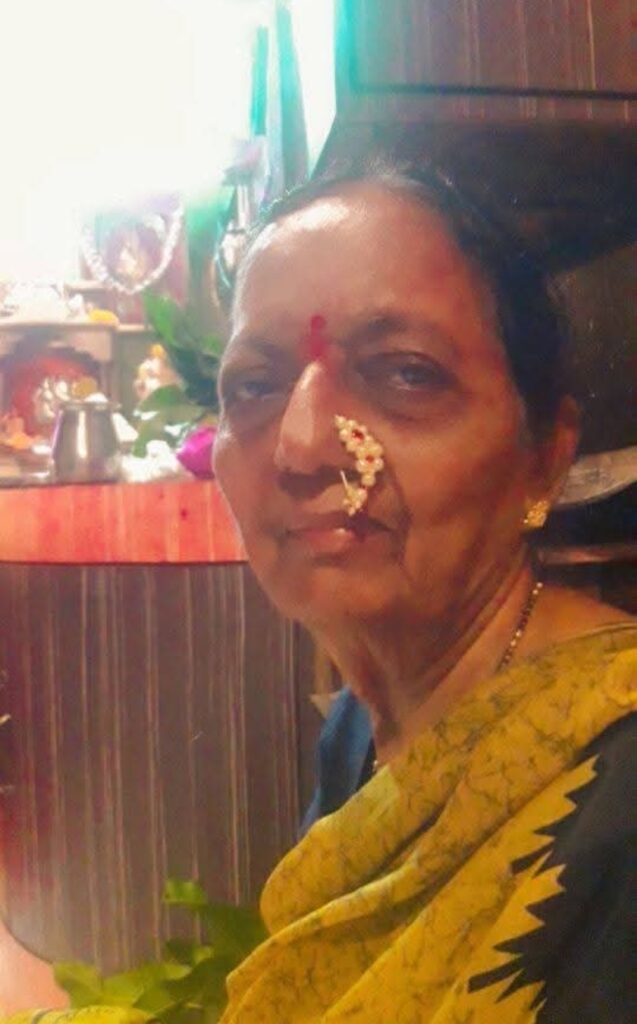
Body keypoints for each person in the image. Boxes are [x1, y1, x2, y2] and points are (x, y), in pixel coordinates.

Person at [211, 166, 636, 1022]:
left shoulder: (618, 785)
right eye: (255, 386)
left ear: (542, 458)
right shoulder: (359, 725)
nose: (302, 446)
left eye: (404, 374)